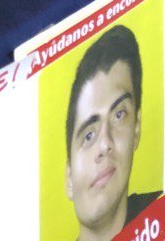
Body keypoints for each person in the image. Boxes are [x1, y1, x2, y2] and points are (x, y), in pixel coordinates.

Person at [64, 25, 159, 241]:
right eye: (89, 136)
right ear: (69, 176)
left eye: (119, 115)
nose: (105, 143)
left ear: (136, 128)